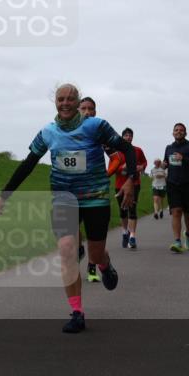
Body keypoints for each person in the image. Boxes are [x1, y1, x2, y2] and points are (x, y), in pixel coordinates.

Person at [0, 84, 137, 334]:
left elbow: (126, 150)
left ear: (78, 101)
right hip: (63, 198)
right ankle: (77, 312)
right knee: (67, 250)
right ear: (55, 103)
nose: (66, 103)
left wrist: (129, 181)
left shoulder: (95, 126)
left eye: (71, 99)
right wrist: (4, 196)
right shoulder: (48, 132)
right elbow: (28, 164)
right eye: (61, 99)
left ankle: (104, 264)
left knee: (94, 254)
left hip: (95, 197)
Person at [163, 123, 189, 253]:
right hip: (173, 184)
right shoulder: (169, 148)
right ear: (173, 133)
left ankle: (188, 234)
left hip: (188, 184)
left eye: (181, 130)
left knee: (188, 213)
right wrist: (164, 165)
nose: (178, 132)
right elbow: (166, 163)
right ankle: (177, 241)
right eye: (176, 130)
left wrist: (183, 158)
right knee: (176, 211)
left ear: (185, 133)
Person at [109, 128, 147, 248]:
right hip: (120, 185)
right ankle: (125, 232)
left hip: (135, 183)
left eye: (130, 135)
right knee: (123, 210)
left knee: (132, 209)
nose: (128, 137)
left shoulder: (138, 150)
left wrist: (140, 167)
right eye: (126, 135)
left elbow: (144, 162)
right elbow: (111, 168)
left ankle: (132, 236)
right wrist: (122, 168)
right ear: (122, 137)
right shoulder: (116, 152)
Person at [78, 96, 101, 283]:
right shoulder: (68, 131)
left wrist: (107, 174)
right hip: (71, 190)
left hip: (95, 192)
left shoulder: (99, 130)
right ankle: (78, 246)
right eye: (83, 108)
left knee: (95, 237)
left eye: (90, 109)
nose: (87, 112)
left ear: (95, 111)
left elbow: (116, 156)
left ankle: (93, 268)